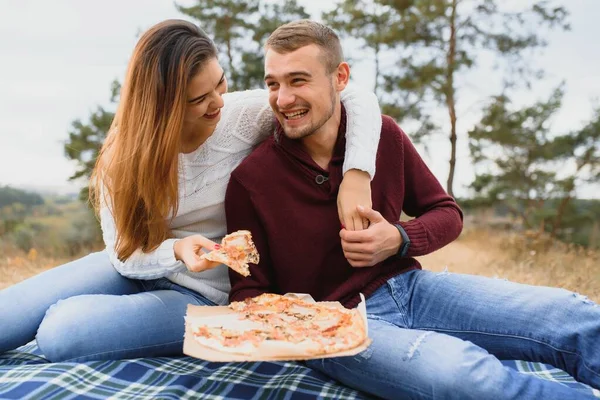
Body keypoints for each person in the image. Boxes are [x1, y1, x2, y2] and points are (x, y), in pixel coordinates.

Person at [225, 20, 600, 400]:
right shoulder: (249, 180)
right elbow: (247, 292)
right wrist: (303, 322)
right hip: (336, 324)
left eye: (298, 81)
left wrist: (399, 237)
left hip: (414, 290)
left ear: (340, 78)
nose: (283, 99)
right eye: (273, 83)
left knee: (572, 315)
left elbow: (447, 213)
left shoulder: (383, 135)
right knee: (463, 374)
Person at [0, 19, 384, 362]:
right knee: (12, 311)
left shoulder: (242, 116)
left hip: (205, 292)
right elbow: (124, 254)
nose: (218, 102)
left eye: (220, 83)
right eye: (199, 99)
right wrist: (177, 250)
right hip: (139, 265)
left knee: (61, 331)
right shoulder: (123, 157)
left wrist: (356, 173)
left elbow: (354, 97)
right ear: (162, 107)